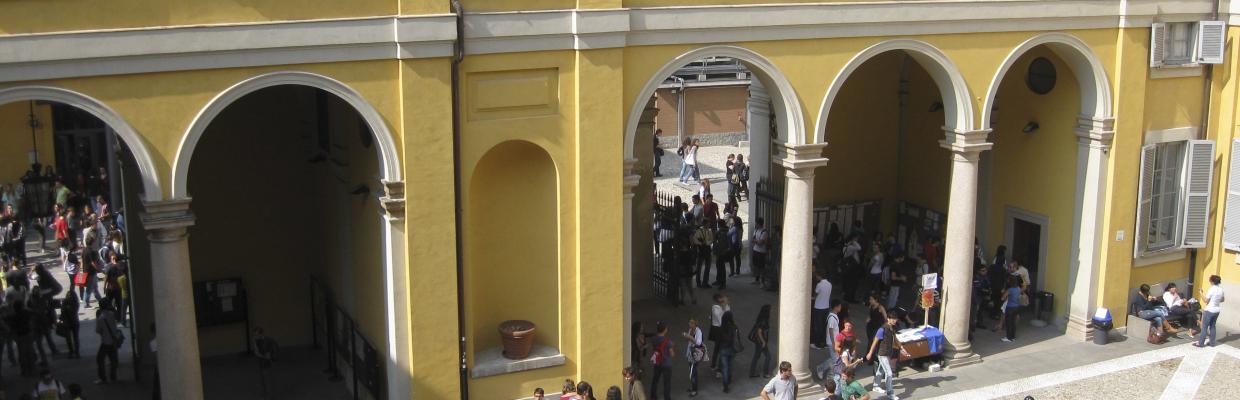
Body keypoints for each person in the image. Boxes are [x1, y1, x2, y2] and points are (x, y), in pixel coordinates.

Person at [865, 313, 901, 400]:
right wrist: (870, 353)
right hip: (882, 354)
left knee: (881, 370)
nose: (894, 320)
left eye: (895, 319)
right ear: (888, 319)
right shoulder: (882, 329)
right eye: (892, 319)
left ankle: (876, 386)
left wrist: (902, 348)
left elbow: (895, 339)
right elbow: (875, 341)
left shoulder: (892, 328)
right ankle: (890, 394)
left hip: (888, 353)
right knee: (889, 373)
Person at [814, 300, 842, 381]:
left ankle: (821, 368)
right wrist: (834, 344)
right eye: (839, 306)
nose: (840, 308)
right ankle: (829, 377)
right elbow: (830, 330)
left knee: (835, 358)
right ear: (836, 307)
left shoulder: (834, 316)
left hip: (834, 341)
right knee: (835, 360)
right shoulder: (832, 318)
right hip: (831, 342)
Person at [94, 303, 121, 384]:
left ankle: (103, 378)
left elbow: (98, 330)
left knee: (100, 359)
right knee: (113, 360)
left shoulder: (100, 318)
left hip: (105, 341)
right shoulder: (112, 314)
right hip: (113, 340)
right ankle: (113, 376)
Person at [1196, 275, 1225, 348]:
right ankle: (1212, 343)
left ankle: (1201, 343)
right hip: (1217, 310)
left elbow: (1206, 300)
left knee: (1204, 327)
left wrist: (1201, 292)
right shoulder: (1221, 289)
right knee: (1213, 326)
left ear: (1212, 281)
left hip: (1209, 310)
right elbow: (1222, 299)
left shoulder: (1211, 289)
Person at [648, 322, 673, 400]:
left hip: (657, 362)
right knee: (666, 383)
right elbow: (672, 354)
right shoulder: (668, 341)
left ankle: (653, 396)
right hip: (666, 364)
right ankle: (667, 398)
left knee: (655, 380)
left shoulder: (654, 339)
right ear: (665, 330)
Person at [716, 311, 739, 393]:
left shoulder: (721, 328)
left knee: (724, 368)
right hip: (732, 349)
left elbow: (718, 340)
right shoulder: (734, 327)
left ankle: (725, 386)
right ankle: (729, 380)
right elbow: (737, 338)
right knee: (730, 366)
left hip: (723, 349)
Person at [748, 304, 772, 378]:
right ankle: (765, 373)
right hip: (761, 342)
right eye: (770, 310)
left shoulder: (761, 318)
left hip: (758, 341)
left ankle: (752, 373)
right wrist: (763, 342)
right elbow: (759, 331)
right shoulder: (764, 320)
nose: (771, 311)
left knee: (756, 356)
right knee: (768, 356)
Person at [681, 318, 704, 397]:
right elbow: (688, 341)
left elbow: (698, 342)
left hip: (695, 354)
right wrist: (686, 337)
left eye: (691, 323)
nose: (689, 324)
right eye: (689, 322)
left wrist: (689, 337)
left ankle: (694, 390)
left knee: (692, 372)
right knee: (692, 371)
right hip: (690, 353)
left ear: (695, 324)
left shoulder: (698, 332)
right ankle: (693, 387)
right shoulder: (690, 330)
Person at [811, 270, 833, 349]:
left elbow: (816, 294)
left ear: (820, 276)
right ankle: (824, 342)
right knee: (824, 325)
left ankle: (817, 343)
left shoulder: (819, 285)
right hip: (826, 307)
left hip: (818, 307)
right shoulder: (829, 284)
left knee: (818, 326)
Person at [709, 294, 729, 370]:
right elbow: (721, 321)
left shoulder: (725, 306)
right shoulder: (716, 308)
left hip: (720, 329)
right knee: (720, 348)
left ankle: (714, 365)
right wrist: (724, 307)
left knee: (717, 348)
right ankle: (718, 368)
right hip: (719, 330)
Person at [1000, 275, 1021, 342]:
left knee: (1008, 323)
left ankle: (1008, 338)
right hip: (1016, 307)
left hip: (1010, 308)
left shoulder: (1010, 289)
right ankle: (1013, 337)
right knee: (1013, 323)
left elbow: (1002, 298)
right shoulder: (1018, 288)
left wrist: (1004, 293)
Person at [59, 295, 80, 359]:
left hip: (69, 323)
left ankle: (72, 352)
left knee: (70, 339)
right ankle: (76, 352)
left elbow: (62, 312)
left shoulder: (67, 304)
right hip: (73, 322)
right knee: (74, 338)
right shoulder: (75, 303)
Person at [752, 218, 770, 286]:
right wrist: (757, 241)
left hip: (761, 252)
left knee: (761, 267)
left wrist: (756, 241)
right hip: (755, 250)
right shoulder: (756, 230)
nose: (755, 224)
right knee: (756, 266)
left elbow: (761, 243)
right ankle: (757, 280)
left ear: (759, 224)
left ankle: (762, 282)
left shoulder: (764, 232)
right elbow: (753, 239)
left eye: (756, 223)